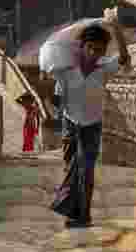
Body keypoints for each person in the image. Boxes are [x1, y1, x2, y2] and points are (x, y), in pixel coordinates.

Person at [51, 20, 131, 228]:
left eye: (100, 49)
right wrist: (55, 110)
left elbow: (123, 58)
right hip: (70, 125)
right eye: (91, 48)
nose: (94, 53)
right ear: (82, 47)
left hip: (92, 127)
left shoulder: (104, 69)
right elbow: (58, 97)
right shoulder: (67, 70)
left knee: (86, 170)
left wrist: (117, 31)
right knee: (72, 169)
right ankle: (72, 210)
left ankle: (83, 216)